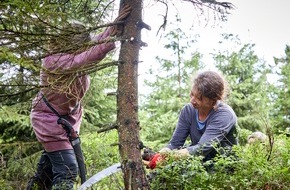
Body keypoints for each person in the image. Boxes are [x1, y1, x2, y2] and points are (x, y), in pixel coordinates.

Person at [27, 5, 131, 190]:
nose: (85, 47)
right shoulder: (54, 60)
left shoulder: (76, 54)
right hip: (49, 121)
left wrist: (113, 28)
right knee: (67, 170)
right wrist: (110, 35)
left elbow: (91, 47)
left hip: (68, 122)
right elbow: (83, 59)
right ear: (72, 43)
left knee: (48, 171)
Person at [145, 70, 238, 169]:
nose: (192, 100)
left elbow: (201, 149)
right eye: (192, 94)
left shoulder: (224, 115)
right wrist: (160, 155)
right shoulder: (188, 110)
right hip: (199, 166)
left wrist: (169, 158)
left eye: (199, 98)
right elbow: (175, 143)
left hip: (224, 169)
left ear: (213, 100)